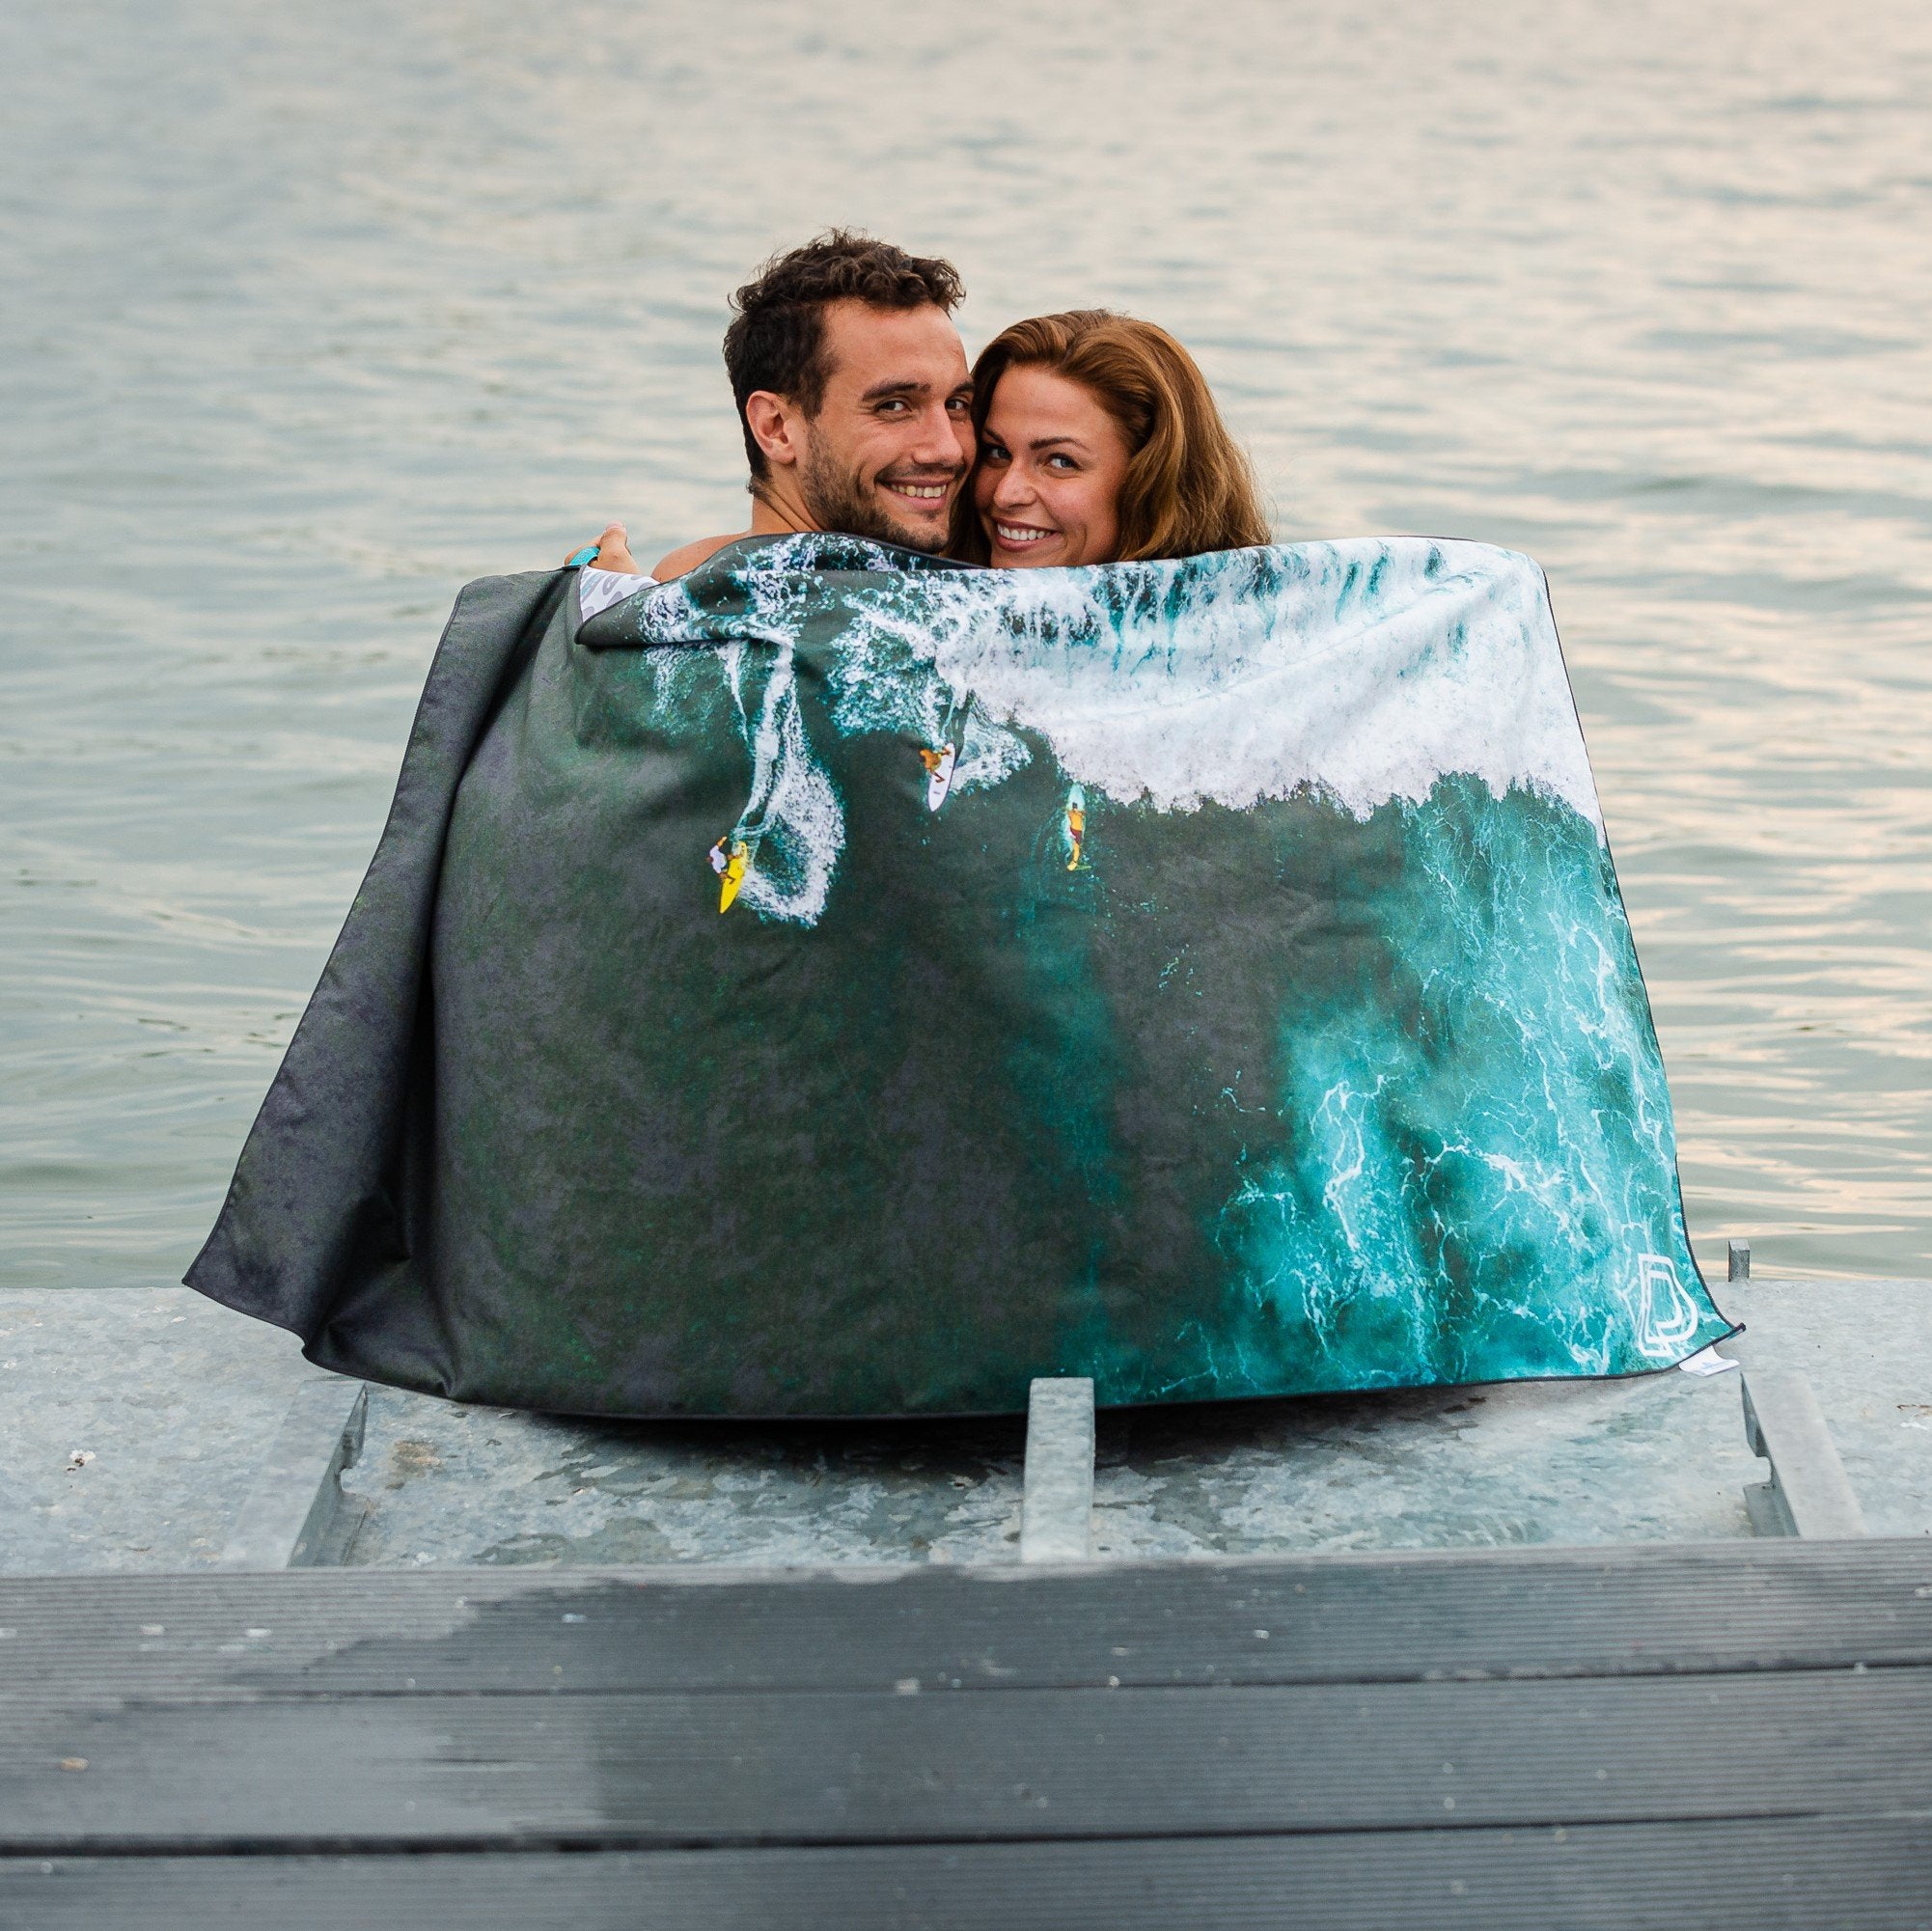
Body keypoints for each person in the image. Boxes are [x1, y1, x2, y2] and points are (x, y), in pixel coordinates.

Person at [579, 231, 974, 583]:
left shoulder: (676, 589)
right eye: (894, 406)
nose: (947, 450)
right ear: (776, 427)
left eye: (957, 403)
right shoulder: (687, 600)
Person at [954, 310, 1270, 568]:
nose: (1005, 495)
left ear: (1152, 479)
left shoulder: (1260, 641)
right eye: (997, 452)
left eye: (1060, 460)